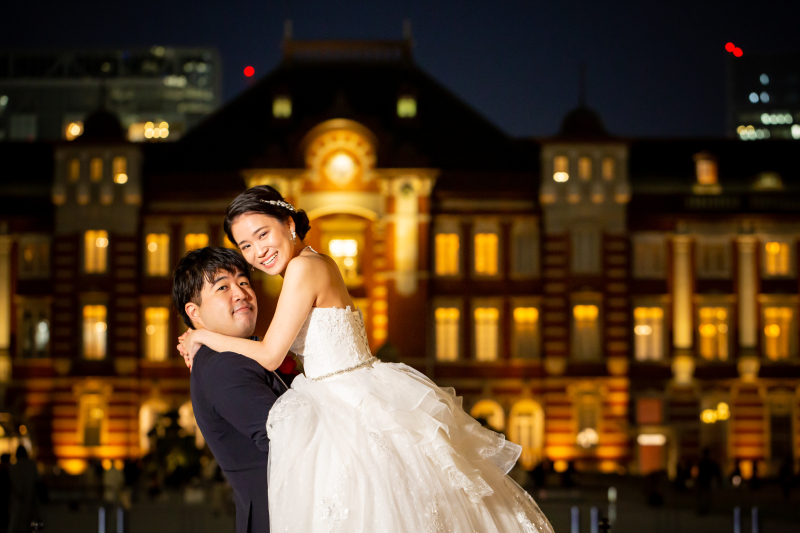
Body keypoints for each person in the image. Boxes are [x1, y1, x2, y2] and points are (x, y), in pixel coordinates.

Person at [180, 185, 554, 532]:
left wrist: (201, 335)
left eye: (263, 234)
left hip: (345, 398)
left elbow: (270, 353)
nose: (257, 252)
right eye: (246, 245)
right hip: (356, 392)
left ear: (289, 224)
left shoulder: (302, 268)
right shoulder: (314, 263)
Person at [174, 247, 290, 533]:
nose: (240, 293)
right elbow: (286, 437)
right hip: (283, 517)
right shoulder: (223, 366)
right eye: (223, 287)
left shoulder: (242, 354)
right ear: (194, 312)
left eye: (243, 282)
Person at [8, 446, 39, 533]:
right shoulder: (31, 465)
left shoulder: (14, 467)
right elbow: (37, 481)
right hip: (29, 500)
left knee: (15, 524)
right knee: (28, 525)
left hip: (17, 501)